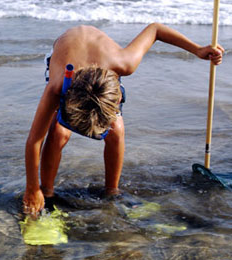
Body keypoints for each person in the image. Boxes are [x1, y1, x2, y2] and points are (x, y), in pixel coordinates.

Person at [23, 23, 224, 215]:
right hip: (66, 59)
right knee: (58, 131)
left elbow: (156, 29)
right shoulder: (57, 86)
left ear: (118, 95)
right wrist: (32, 188)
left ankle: (112, 191)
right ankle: (47, 191)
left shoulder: (124, 62)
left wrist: (197, 49)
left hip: (101, 72)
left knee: (116, 130)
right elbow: (34, 141)